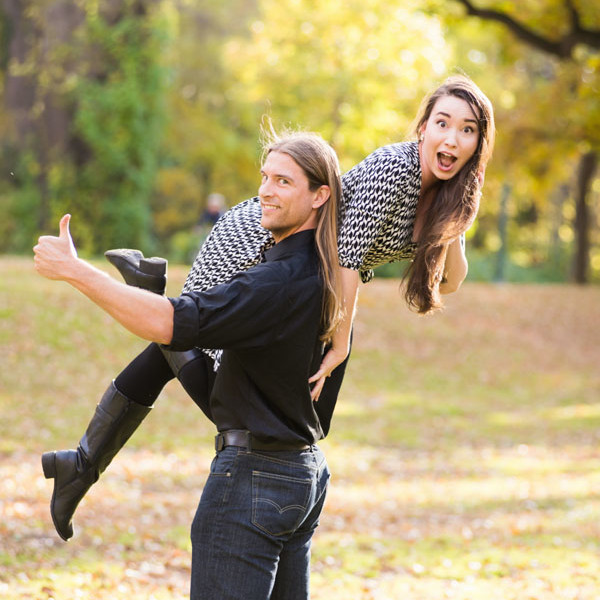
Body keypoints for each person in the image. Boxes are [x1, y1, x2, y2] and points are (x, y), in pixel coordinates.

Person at [37, 74, 496, 542]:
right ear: (423, 127)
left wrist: (453, 218)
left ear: (479, 143)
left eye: (467, 130)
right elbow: (347, 256)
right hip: (259, 241)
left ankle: (81, 463)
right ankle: (148, 310)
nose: (452, 138)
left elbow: (451, 281)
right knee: (229, 400)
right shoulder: (396, 167)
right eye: (442, 123)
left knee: (227, 386)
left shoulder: (447, 196)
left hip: (308, 282)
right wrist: (340, 345)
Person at [34, 130, 343, 599]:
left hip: (253, 482)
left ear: (320, 195)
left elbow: (169, 325)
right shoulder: (330, 271)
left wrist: (75, 269)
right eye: (264, 177)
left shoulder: (276, 282)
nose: (265, 191)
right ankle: (79, 464)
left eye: (283, 181)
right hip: (304, 474)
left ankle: (80, 463)